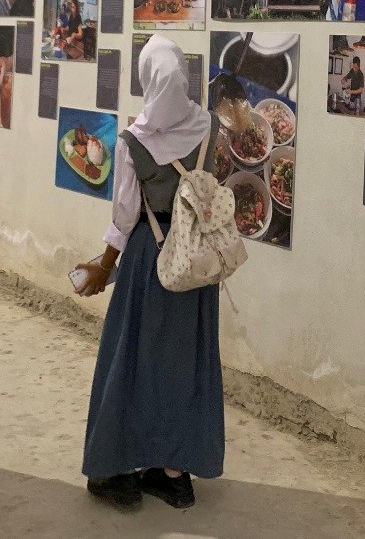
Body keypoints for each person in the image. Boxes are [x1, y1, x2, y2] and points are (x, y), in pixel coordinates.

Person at [77, 36, 225, 511]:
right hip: (195, 263)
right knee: (184, 363)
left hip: (151, 261)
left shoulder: (133, 141)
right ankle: (175, 475)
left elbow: (124, 218)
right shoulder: (208, 126)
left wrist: (103, 267)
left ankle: (111, 467)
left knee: (129, 362)